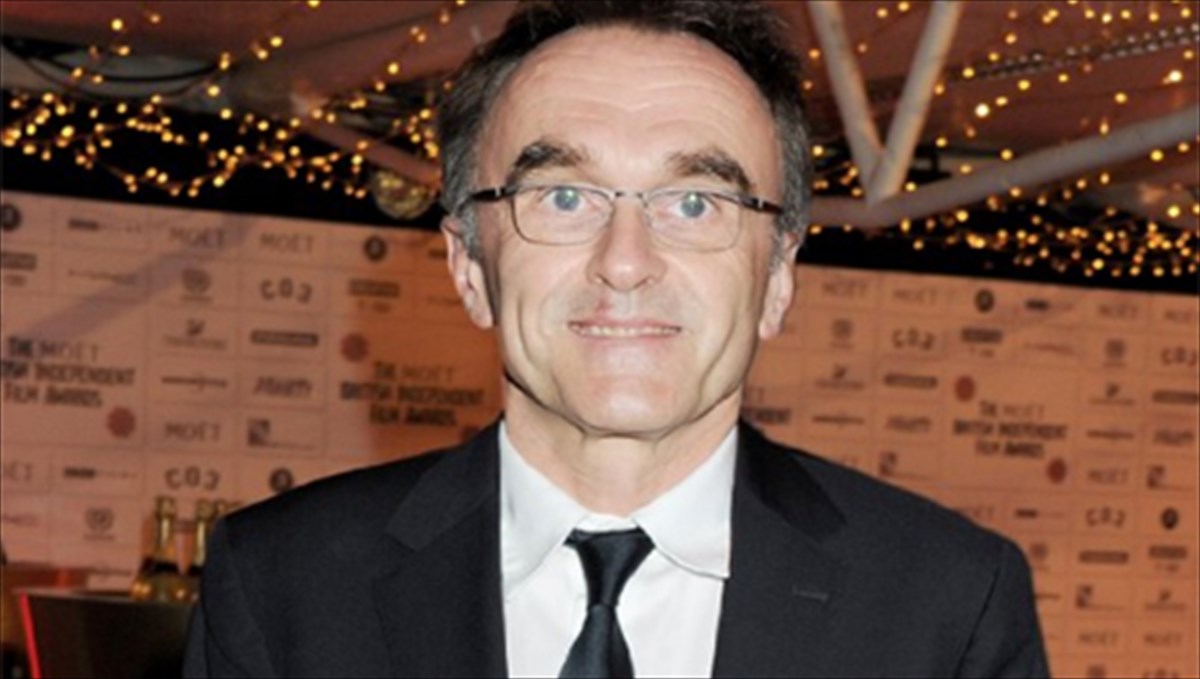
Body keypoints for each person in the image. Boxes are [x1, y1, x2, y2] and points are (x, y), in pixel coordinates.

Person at [184, 2, 1049, 677]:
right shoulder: (282, 583)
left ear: (779, 275)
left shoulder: (949, 607)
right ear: (470, 265)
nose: (626, 261)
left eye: (696, 202)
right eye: (564, 197)